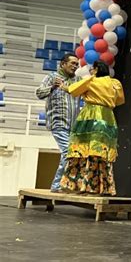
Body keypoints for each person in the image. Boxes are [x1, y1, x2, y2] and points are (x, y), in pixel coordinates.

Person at [59, 61, 125, 195]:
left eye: (91, 69)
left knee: (83, 149)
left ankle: (80, 186)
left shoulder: (91, 80)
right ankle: (103, 187)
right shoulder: (115, 83)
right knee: (102, 153)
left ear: (95, 70)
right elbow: (120, 100)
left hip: (90, 116)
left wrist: (62, 86)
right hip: (108, 117)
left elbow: (73, 90)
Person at [35, 53, 80, 193]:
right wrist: (52, 88)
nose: (75, 66)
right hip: (58, 123)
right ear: (62, 64)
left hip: (74, 126)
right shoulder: (51, 77)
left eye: (77, 64)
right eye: (72, 63)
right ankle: (56, 186)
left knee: (75, 154)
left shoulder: (78, 80)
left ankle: (68, 185)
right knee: (68, 152)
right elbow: (39, 93)